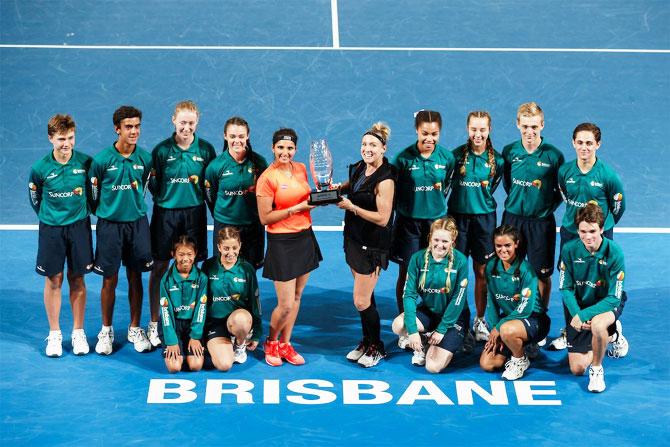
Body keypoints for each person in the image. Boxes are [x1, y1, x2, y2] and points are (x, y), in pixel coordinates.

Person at [551, 122, 627, 352]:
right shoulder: (565, 171)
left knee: (602, 282)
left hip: (599, 232)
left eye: (589, 143)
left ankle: (610, 329)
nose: (584, 148)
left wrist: (599, 227)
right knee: (570, 280)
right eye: (580, 143)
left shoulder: (607, 176)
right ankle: (571, 329)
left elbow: (618, 206)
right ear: (573, 143)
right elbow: (563, 193)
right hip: (571, 233)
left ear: (598, 144)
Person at [147, 100, 216, 349]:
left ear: (197, 123)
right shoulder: (161, 151)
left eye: (191, 123)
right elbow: (154, 185)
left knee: (193, 267)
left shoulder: (206, 150)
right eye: (182, 122)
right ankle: (155, 323)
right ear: (173, 120)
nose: (186, 128)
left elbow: (209, 186)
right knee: (160, 266)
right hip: (165, 214)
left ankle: (190, 321)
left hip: (194, 214)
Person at [90, 105, 154, 355]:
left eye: (137, 126)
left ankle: (135, 328)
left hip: (137, 224)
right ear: (117, 129)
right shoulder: (102, 161)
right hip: (110, 227)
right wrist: (110, 212)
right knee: (110, 278)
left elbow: (149, 187)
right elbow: (93, 197)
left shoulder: (145, 159)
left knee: (136, 276)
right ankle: (106, 330)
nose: (134, 131)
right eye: (129, 127)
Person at [29, 114, 93, 357]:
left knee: (77, 279)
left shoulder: (86, 163)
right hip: (51, 230)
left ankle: (78, 332)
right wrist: (51, 216)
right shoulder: (40, 169)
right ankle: (55, 334)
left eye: (70, 138)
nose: (66, 144)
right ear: (50, 139)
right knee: (53, 279)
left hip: (79, 228)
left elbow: (92, 193)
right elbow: (35, 199)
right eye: (60, 139)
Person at [256, 128, 322, 366]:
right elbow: (265, 217)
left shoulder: (302, 168)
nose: (285, 152)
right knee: (284, 304)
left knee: (296, 296)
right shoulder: (267, 178)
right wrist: (294, 210)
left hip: (304, 237)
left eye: (290, 148)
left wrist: (324, 194)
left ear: (295, 149)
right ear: (273, 148)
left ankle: (285, 343)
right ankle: (271, 342)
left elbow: (307, 198)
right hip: (282, 243)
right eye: (281, 148)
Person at [390, 110, 455, 349]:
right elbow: (392, 189)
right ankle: (406, 326)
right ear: (417, 131)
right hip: (408, 224)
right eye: (425, 133)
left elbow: (447, 186)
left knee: (436, 271)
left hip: (436, 225)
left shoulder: (447, 158)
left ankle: (436, 321)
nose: (430, 138)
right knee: (407, 274)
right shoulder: (403, 159)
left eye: (434, 133)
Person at [337, 122, 396, 367]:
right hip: (353, 239)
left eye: (373, 145)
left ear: (383, 148)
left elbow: (383, 219)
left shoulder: (386, 180)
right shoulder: (362, 167)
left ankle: (377, 346)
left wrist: (352, 207)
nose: (367, 148)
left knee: (361, 300)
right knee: (366, 296)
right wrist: (335, 188)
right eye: (364, 144)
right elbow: (354, 184)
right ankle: (367, 341)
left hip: (371, 245)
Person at [502, 102, 564, 314]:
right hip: (512, 221)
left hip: (541, 223)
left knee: (542, 275)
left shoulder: (553, 156)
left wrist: (544, 208)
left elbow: (560, 191)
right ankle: (512, 314)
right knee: (510, 270)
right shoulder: (509, 152)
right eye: (525, 126)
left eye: (534, 127)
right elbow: (508, 184)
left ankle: (539, 318)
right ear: (518, 124)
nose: (529, 132)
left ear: (542, 125)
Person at [448, 111, 504, 343]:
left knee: (482, 273)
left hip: (484, 222)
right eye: (474, 129)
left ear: (489, 130)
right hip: (457, 221)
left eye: (482, 129)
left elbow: (494, 187)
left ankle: (480, 319)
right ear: (467, 129)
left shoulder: (498, 161)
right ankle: (458, 320)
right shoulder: (455, 156)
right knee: (456, 272)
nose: (477, 134)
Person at [559, 203, 627, 392]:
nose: (587, 237)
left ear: (602, 229)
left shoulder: (615, 253)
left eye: (592, 231)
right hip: (580, 304)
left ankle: (597, 370)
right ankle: (611, 334)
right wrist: (576, 313)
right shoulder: (569, 250)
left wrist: (584, 315)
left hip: (607, 302)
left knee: (598, 325)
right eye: (582, 231)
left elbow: (614, 297)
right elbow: (565, 287)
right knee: (577, 368)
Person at [391, 217, 469, 373]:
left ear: (453, 241)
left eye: (445, 241)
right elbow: (409, 295)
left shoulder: (460, 261)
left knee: (432, 367)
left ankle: (459, 337)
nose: (440, 245)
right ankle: (426, 338)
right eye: (436, 240)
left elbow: (457, 301)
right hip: (429, 312)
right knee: (398, 325)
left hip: (454, 317)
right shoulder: (418, 259)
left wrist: (441, 330)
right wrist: (412, 331)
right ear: (430, 238)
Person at [479, 225, 550, 380]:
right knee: (488, 363)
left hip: (534, 319)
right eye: (498, 246)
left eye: (507, 245)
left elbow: (525, 308)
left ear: (516, 244)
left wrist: (499, 329)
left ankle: (520, 360)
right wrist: (494, 331)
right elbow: (491, 300)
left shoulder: (526, 270)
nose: (503, 250)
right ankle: (520, 346)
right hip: (509, 321)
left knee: (507, 331)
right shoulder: (491, 267)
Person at [205, 116, 268, 269]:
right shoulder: (215, 166)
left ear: (248, 135)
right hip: (226, 225)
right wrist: (226, 215)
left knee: (250, 269)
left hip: (252, 225)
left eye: (241, 136)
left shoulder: (259, 163)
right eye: (232, 136)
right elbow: (209, 196)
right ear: (225, 136)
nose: (237, 140)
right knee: (224, 268)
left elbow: (266, 193)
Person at [202, 227, 262, 371]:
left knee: (240, 321)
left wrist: (257, 332)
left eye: (234, 247)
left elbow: (255, 302)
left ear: (240, 246)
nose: (230, 252)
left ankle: (240, 344)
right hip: (214, 323)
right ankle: (222, 343)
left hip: (237, 320)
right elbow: (201, 300)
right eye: (226, 248)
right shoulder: (208, 266)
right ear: (219, 247)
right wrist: (198, 332)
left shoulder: (247, 269)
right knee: (224, 365)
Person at [159, 236, 208, 373]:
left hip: (193, 324)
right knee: (174, 367)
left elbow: (201, 308)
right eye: (181, 254)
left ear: (195, 254)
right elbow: (165, 312)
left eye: (189, 254)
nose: (185, 258)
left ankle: (188, 347)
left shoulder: (202, 278)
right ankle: (179, 347)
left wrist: (195, 336)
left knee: (195, 365)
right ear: (173, 254)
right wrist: (171, 340)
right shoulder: (166, 279)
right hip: (173, 325)